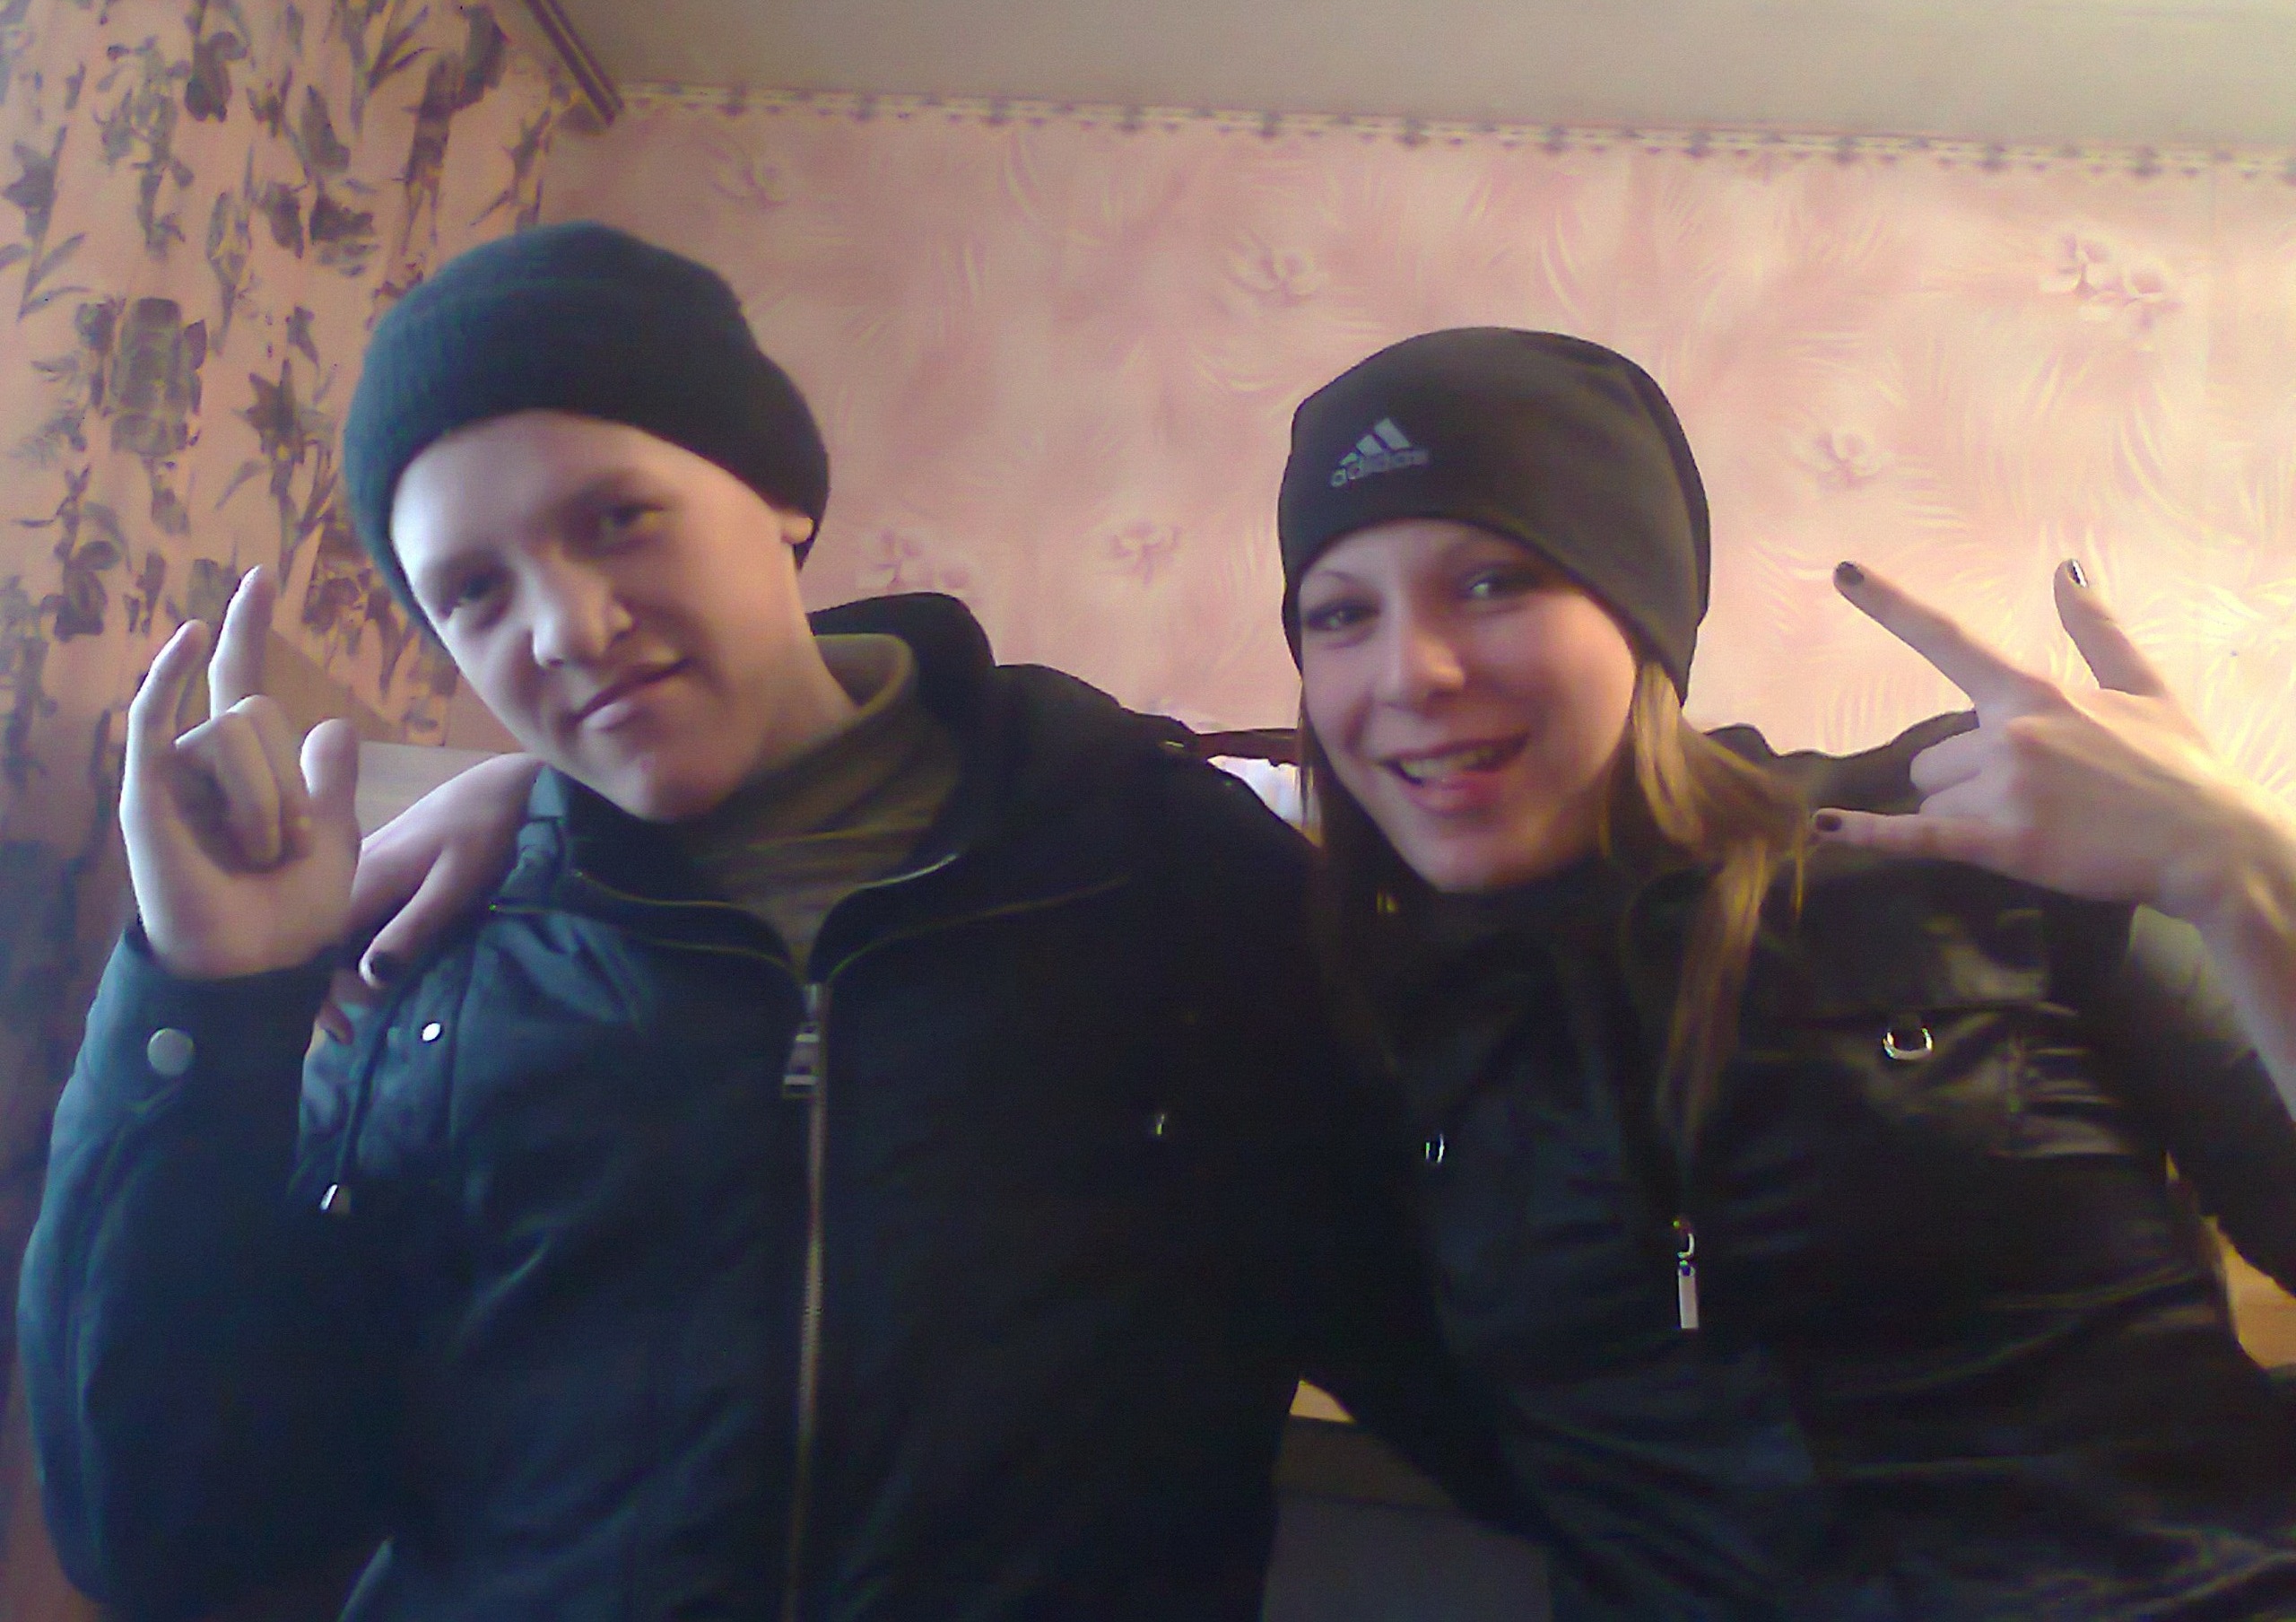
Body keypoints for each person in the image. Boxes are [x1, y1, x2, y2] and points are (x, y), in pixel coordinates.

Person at [17, 224, 1500, 1622]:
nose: (567, 626)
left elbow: (1493, 1379)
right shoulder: (432, 954)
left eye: (618, 520)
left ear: (782, 495)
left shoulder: (1170, 878)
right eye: (473, 591)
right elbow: (166, 1530)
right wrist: (200, 1004)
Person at [1277, 327, 2296, 1616]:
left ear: (1642, 612)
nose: (1411, 672)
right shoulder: (1362, 1016)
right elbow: (1469, 1440)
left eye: (1493, 582)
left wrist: (2245, 875)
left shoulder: (1974, 836)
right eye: (1340, 614)